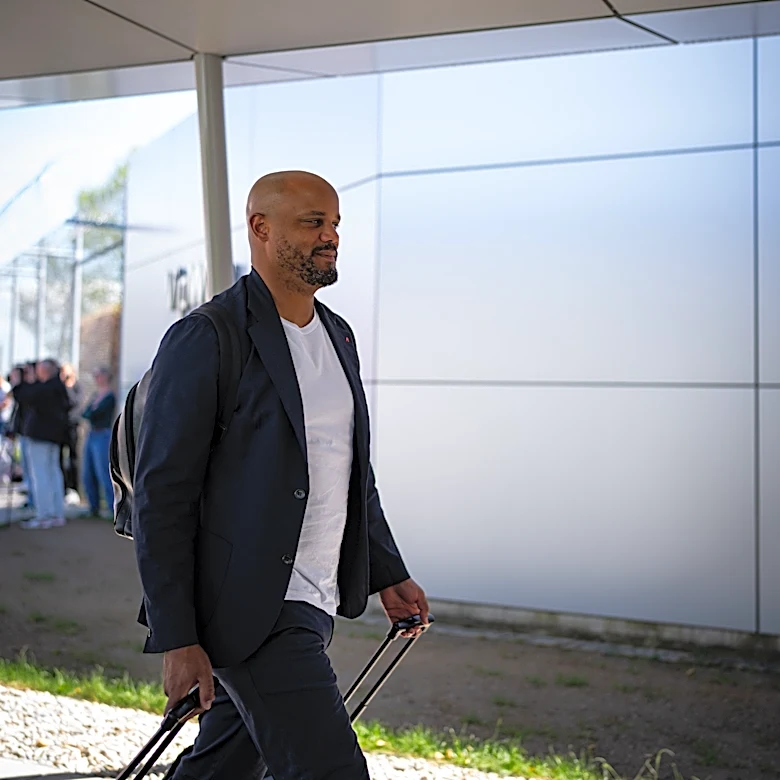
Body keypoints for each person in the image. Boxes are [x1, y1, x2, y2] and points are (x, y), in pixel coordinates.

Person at [133, 170, 429, 780]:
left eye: (335, 223)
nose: (331, 236)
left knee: (222, 770)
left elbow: (346, 469)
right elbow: (163, 495)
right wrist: (176, 635)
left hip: (314, 597)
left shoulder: (338, 335)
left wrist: (387, 571)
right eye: (312, 222)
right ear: (261, 228)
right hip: (248, 606)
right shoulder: (208, 337)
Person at [10, 359, 70, 529]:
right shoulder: (58, 387)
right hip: (54, 437)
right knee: (54, 474)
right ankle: (56, 514)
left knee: (40, 475)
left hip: (40, 437)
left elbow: (23, 396)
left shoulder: (47, 389)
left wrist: (19, 381)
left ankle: (44, 515)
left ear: (45, 372)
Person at [81, 366, 117, 517]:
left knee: (103, 471)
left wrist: (93, 411)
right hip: (92, 435)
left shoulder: (109, 397)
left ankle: (112, 508)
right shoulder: (96, 395)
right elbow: (86, 413)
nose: (96, 378)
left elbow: (95, 414)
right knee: (88, 472)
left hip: (103, 435)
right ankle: (93, 507)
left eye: (98, 375)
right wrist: (92, 410)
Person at [59, 362, 84, 501]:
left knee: (73, 457)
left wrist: (68, 386)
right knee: (60, 458)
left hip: (73, 425)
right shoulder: (59, 387)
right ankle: (63, 488)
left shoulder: (77, 386)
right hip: (60, 427)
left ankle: (74, 488)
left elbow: (73, 402)